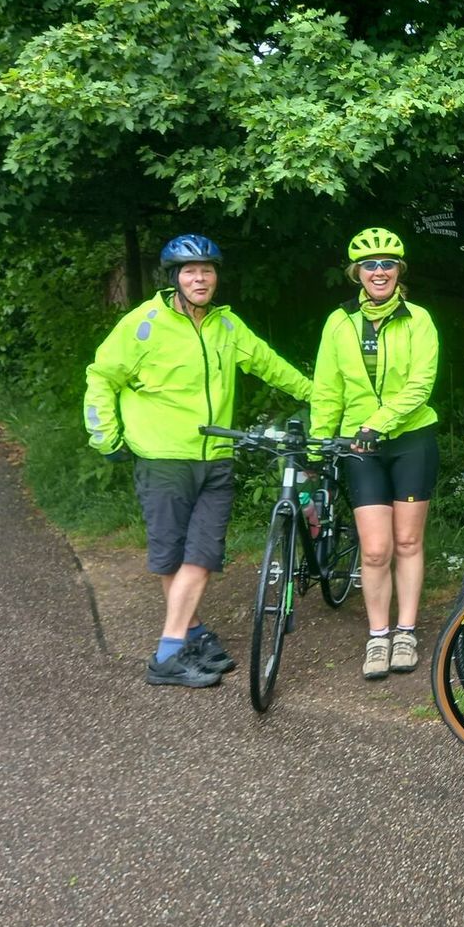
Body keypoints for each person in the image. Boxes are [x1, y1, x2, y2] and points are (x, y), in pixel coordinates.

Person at [84, 234, 314, 688]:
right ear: (174, 278)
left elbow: (270, 365)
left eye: (207, 270)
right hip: (163, 458)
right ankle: (177, 647)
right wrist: (105, 436)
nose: (200, 278)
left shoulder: (226, 326)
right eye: (190, 271)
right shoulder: (143, 324)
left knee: (203, 554)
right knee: (173, 556)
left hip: (216, 457)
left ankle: (181, 640)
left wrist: (319, 397)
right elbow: (101, 377)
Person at [310, 228, 440, 680]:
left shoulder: (418, 319)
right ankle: (378, 635)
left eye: (387, 264)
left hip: (411, 440)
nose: (379, 271)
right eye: (370, 265)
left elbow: (421, 385)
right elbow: (327, 389)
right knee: (376, 549)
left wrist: (378, 423)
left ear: (399, 271)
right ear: (357, 272)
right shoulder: (339, 322)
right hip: (358, 446)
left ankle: (406, 631)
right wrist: (319, 443)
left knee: (408, 542)